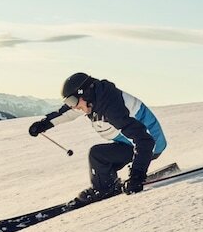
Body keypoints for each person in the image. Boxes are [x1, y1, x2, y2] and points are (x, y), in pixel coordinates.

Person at [28, 72, 167, 206]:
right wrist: (44, 124)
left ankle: (104, 189)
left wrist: (137, 175)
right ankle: (108, 184)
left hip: (150, 144)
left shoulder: (111, 108)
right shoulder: (92, 99)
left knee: (98, 155)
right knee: (100, 157)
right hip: (132, 142)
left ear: (85, 93)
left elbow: (145, 140)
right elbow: (67, 113)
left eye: (72, 101)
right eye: (69, 102)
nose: (73, 106)